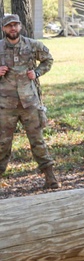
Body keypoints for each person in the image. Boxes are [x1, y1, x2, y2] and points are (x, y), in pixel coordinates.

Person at [0, 13, 59, 189]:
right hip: (5, 106)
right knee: (2, 144)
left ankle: (50, 177)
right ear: (3, 28)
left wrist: (37, 73)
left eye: (15, 25)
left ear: (20, 27)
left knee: (38, 141)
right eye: (9, 25)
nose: (12, 28)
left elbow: (48, 59)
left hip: (29, 104)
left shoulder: (32, 45)